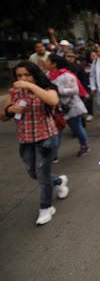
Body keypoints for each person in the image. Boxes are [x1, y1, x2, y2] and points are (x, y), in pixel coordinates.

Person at [1, 61, 69, 225]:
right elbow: (2, 116)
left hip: (46, 138)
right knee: (33, 173)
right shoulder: (14, 92)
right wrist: (10, 110)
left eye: (27, 75)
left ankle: (46, 208)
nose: (23, 78)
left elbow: (53, 101)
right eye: (19, 75)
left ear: (34, 75)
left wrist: (31, 87)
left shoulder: (46, 88)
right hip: (25, 140)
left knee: (42, 175)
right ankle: (59, 182)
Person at [46, 54, 90, 158]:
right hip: (57, 108)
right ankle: (54, 154)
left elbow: (75, 90)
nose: (46, 63)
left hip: (72, 107)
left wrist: (57, 91)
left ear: (54, 64)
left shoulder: (67, 75)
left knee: (77, 128)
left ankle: (84, 146)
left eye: (48, 61)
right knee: (57, 131)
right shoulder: (48, 75)